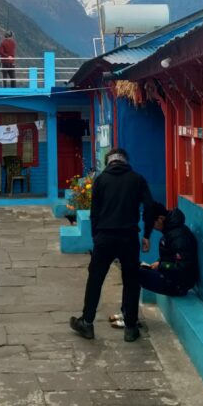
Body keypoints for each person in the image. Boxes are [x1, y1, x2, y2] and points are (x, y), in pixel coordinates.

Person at [70, 147, 156, 343]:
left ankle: (87, 322)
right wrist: (147, 235)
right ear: (126, 161)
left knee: (95, 279)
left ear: (109, 161)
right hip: (129, 237)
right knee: (131, 281)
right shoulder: (137, 179)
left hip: (104, 237)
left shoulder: (101, 180)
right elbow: (149, 207)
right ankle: (131, 327)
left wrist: (95, 237)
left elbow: (95, 212)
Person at [109, 202, 198, 328]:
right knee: (132, 267)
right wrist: (159, 263)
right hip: (170, 277)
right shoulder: (171, 232)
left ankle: (129, 318)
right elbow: (170, 257)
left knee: (133, 275)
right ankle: (126, 313)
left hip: (178, 284)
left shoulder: (179, 236)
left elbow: (183, 267)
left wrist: (161, 265)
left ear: (161, 218)